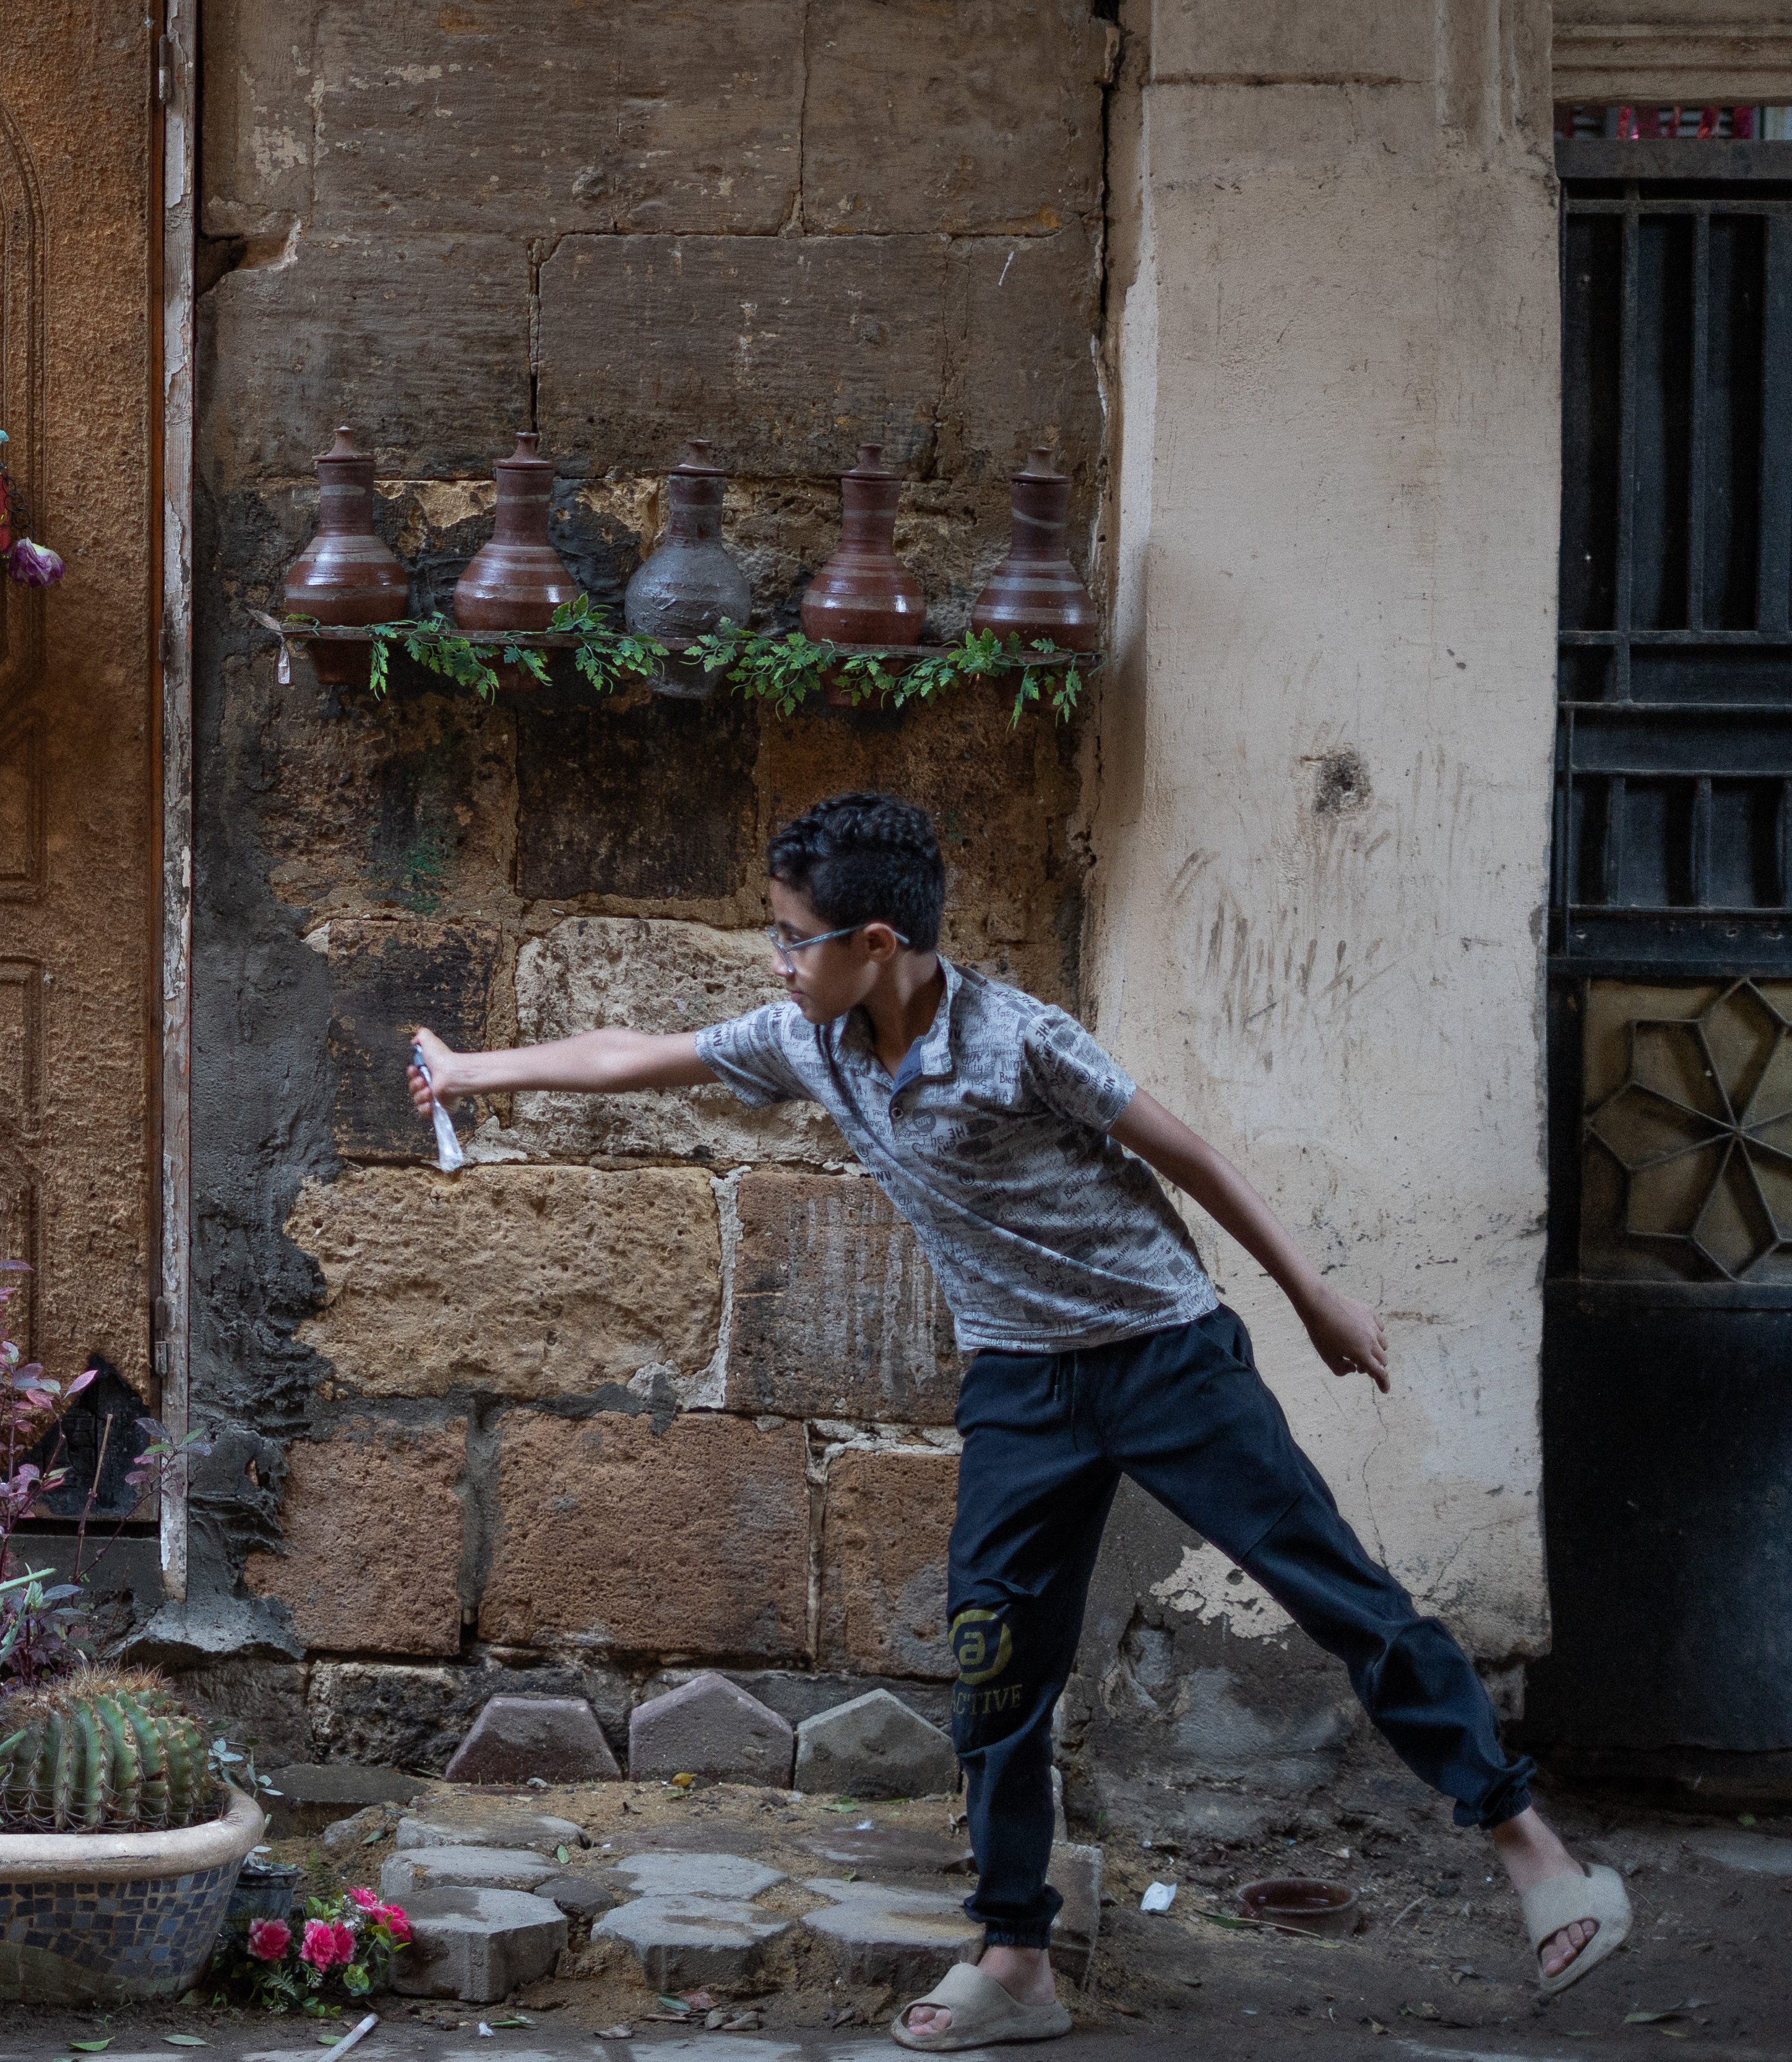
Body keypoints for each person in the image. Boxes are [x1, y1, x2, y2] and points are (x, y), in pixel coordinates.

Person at [405, 790, 1626, 2053]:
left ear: (876, 943)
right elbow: (636, 1050)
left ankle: (1536, 1854)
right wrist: (473, 1070)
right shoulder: (811, 1041)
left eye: (792, 937)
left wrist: (1313, 1297)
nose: (777, 959)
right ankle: (1017, 1959)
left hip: (1163, 1356)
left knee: (1336, 1593)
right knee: (993, 1656)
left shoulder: (1020, 1040)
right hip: (1022, 1386)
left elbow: (1191, 1156)